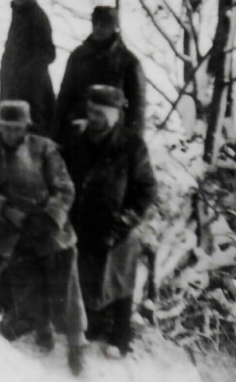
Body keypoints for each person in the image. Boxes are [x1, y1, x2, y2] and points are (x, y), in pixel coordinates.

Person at [0, 100, 87, 375]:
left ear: (26, 128)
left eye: (18, 129)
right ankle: (43, 335)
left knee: (66, 292)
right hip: (15, 229)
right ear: (0, 127)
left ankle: (76, 347)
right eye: (7, 128)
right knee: (29, 287)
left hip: (51, 230)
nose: (12, 134)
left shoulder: (45, 149)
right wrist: (6, 209)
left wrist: (48, 218)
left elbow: (65, 189)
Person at [62, 85, 156, 358]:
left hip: (117, 227)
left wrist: (127, 219)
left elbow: (147, 189)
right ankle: (91, 327)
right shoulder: (76, 141)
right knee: (85, 276)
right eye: (91, 111)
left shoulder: (131, 145)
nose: (94, 117)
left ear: (115, 114)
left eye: (101, 113)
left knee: (120, 280)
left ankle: (121, 337)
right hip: (82, 222)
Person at [53, 6, 146, 146]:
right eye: (95, 23)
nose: (98, 28)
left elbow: (137, 109)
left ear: (114, 27)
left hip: (111, 135)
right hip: (78, 133)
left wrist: (131, 143)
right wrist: (55, 135)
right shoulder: (78, 57)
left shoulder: (128, 62)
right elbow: (64, 99)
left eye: (104, 24)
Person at [0, 0, 57, 138]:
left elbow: (49, 52)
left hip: (33, 89)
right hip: (12, 87)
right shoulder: (17, 15)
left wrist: (27, 72)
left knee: (34, 132)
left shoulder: (38, 17)